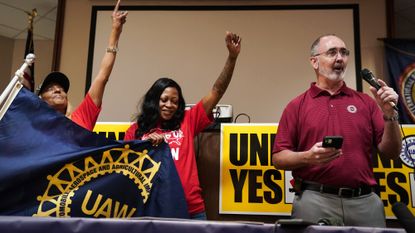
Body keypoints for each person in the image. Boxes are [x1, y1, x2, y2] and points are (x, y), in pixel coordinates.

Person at [272, 34, 401, 227]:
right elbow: (278, 158)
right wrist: (308, 157)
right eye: (332, 52)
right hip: (314, 200)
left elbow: (391, 152)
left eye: (344, 52)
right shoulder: (296, 106)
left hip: (365, 202)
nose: (340, 58)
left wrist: (390, 115)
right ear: (314, 62)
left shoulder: (366, 102)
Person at [123, 31, 241, 219]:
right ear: (154, 100)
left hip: (191, 209)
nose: (169, 105)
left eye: (175, 101)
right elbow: (127, 171)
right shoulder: (135, 131)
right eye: (164, 100)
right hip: (153, 210)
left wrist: (232, 58)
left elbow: (217, 90)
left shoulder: (188, 120)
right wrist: (144, 147)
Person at [34, 0, 127, 131]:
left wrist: (115, 30)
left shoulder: (82, 116)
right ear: (40, 100)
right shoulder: (36, 129)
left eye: (61, 88)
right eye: (49, 88)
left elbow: (102, 76)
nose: (58, 90)